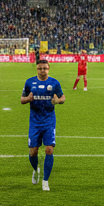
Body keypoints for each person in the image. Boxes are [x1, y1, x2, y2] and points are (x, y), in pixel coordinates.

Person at [21, 58, 65, 191]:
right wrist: (28, 99)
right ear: (37, 69)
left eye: (45, 68)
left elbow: (62, 97)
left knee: (49, 149)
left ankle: (45, 181)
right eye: (40, 68)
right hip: (35, 122)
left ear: (48, 68)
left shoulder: (54, 83)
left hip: (49, 121)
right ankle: (36, 169)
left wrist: (58, 101)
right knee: (33, 152)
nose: (42, 71)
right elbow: (22, 99)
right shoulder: (29, 82)